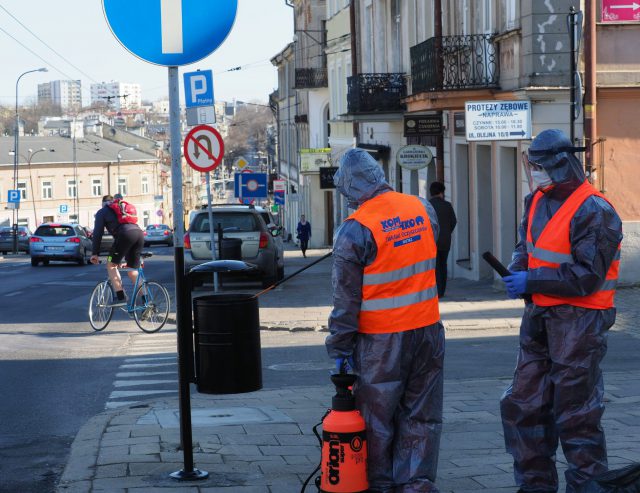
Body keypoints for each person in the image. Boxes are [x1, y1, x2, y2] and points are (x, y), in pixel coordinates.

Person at [500, 129, 623, 493]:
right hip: (540, 316)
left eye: (539, 165)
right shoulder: (535, 199)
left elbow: (585, 277)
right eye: (531, 164)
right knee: (524, 407)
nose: (534, 171)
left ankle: (588, 487)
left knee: (576, 417)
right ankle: (535, 486)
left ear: (561, 164)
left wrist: (530, 281)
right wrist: (518, 269)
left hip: (580, 322)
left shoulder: (596, 211)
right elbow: (526, 245)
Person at [326, 148, 445, 493]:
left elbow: (345, 302)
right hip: (427, 331)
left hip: (381, 341)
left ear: (351, 185)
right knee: (421, 414)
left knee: (377, 420)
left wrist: (339, 348)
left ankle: (379, 485)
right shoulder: (421, 208)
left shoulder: (354, 230)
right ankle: (417, 484)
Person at [90, 194, 145, 306]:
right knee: (132, 270)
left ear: (103, 203)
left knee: (111, 265)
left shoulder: (102, 212)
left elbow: (97, 233)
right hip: (139, 234)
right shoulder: (121, 210)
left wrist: (94, 253)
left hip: (125, 235)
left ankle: (121, 297)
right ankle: (147, 302)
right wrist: (119, 258)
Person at [429, 181, 457, 298]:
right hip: (445, 240)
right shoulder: (447, 205)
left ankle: (436, 290)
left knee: (435, 266)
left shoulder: (427, 205)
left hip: (431, 240)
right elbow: (453, 221)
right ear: (442, 192)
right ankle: (442, 291)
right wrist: (446, 232)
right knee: (443, 264)